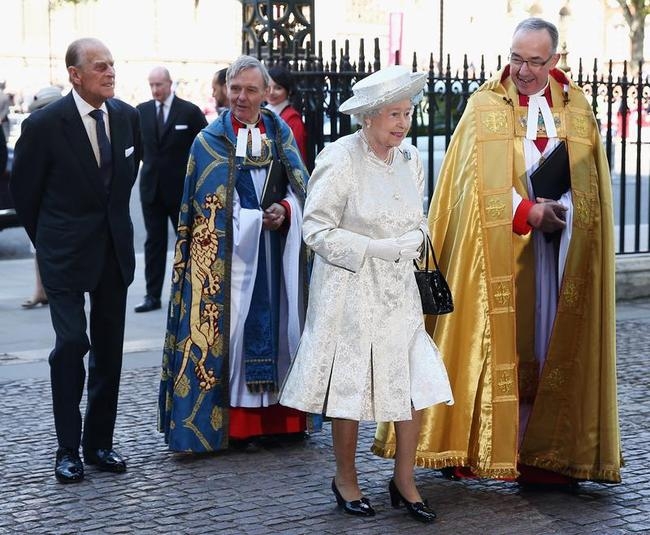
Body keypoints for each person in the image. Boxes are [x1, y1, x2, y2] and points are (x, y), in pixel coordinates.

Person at [374, 17, 622, 486]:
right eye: (515, 58)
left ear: (555, 60)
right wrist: (527, 212)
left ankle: (545, 453)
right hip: (494, 255)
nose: (523, 70)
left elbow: (591, 186)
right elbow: (470, 186)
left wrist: (563, 210)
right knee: (488, 348)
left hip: (556, 256)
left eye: (534, 61)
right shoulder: (484, 106)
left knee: (548, 345)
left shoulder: (578, 109)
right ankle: (475, 447)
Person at [280, 65, 453, 523]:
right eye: (393, 114)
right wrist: (371, 247)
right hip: (348, 288)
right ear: (369, 117)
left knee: (410, 381)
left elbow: (418, 214)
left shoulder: (411, 159)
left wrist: (416, 236)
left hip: (398, 289)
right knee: (350, 384)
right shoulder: (340, 158)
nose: (403, 122)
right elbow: (315, 229)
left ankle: (405, 479)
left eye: (408, 112)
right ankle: (346, 479)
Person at [158, 55, 310, 452]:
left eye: (251, 90)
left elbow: (301, 187)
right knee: (232, 336)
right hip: (227, 267)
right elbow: (202, 208)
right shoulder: (208, 141)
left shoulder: (280, 135)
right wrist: (249, 220)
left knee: (281, 331)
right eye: (235, 88)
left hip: (276, 258)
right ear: (226, 90)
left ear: (266, 93)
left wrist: (287, 210)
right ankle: (236, 427)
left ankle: (282, 422)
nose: (241, 97)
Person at [10, 38, 141, 483]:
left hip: (113, 254)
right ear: (75, 74)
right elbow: (26, 195)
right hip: (63, 255)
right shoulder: (45, 124)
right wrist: (49, 243)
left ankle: (99, 443)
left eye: (112, 65)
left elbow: (124, 182)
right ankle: (68, 448)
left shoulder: (127, 117)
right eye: (100, 66)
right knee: (71, 346)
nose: (110, 72)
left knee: (109, 352)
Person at [134, 67, 207, 313]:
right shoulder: (141, 112)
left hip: (181, 191)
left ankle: (188, 293)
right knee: (153, 243)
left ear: (169, 84)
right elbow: (135, 149)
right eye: (152, 85)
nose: (155, 90)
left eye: (159, 85)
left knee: (185, 241)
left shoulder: (189, 111)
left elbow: (204, 146)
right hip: (151, 189)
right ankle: (151, 295)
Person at [20, 85, 64, 310]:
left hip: (62, 206)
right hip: (44, 203)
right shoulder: (37, 129)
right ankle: (41, 290)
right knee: (38, 247)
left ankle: (45, 290)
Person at [266, 65, 307, 162]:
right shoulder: (262, 112)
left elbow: (296, 157)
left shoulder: (292, 119)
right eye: (267, 87)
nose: (271, 92)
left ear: (288, 91)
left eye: (278, 88)